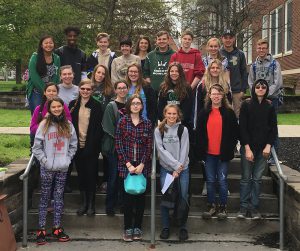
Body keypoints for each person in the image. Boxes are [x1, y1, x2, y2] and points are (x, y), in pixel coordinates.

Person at [32, 97, 77, 245]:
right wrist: (44, 161)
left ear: (62, 108)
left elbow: (73, 145)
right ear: (49, 109)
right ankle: (41, 229)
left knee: (58, 198)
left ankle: (57, 227)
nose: (57, 109)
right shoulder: (44, 125)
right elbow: (36, 147)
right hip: (47, 168)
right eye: (54, 107)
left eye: (59, 106)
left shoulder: (68, 125)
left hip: (62, 168)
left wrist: (68, 159)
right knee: (45, 198)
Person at [195, 84, 238, 220]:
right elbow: (199, 134)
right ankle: (211, 206)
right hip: (208, 154)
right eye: (213, 93)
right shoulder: (203, 113)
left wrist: (229, 150)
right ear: (209, 95)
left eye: (219, 94)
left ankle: (223, 207)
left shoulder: (229, 113)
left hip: (223, 154)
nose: (216, 96)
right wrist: (200, 152)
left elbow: (233, 134)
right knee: (210, 181)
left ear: (223, 96)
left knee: (223, 181)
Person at [238, 79, 277, 219]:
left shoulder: (270, 106)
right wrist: (247, 148)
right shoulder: (246, 105)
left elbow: (273, 129)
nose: (261, 88)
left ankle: (254, 207)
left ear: (266, 89)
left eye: (263, 87)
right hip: (248, 147)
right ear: (254, 88)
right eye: (258, 86)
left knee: (257, 179)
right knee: (245, 179)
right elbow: (242, 128)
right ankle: (243, 207)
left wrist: (268, 145)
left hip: (263, 149)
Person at [115, 95, 153, 242]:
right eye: (134, 103)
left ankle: (137, 227)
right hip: (127, 165)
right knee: (128, 199)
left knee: (141, 198)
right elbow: (118, 143)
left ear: (142, 106)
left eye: (139, 103)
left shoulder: (147, 123)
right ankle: (127, 228)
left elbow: (149, 145)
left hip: (142, 165)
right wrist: (128, 164)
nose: (136, 106)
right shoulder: (122, 122)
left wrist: (142, 163)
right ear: (129, 105)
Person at [193, 59, 232, 195]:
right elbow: (197, 107)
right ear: (208, 70)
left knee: (222, 153)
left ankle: (222, 185)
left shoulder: (225, 85)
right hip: (205, 123)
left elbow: (230, 106)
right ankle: (207, 182)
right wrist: (196, 124)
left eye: (217, 67)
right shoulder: (202, 85)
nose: (215, 69)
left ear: (221, 70)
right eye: (212, 67)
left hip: (222, 123)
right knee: (207, 153)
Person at [155, 104, 190, 241]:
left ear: (178, 115)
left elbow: (184, 149)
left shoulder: (183, 130)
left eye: (174, 114)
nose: (171, 116)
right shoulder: (159, 130)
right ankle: (166, 227)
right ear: (165, 114)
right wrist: (174, 166)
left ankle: (183, 228)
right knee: (166, 199)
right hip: (166, 170)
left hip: (183, 170)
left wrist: (179, 168)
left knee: (183, 197)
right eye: (169, 114)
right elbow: (161, 151)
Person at [69, 79, 103, 217]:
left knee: (91, 175)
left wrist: (92, 146)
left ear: (92, 91)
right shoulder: (73, 105)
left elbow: (98, 129)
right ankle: (83, 203)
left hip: (91, 147)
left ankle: (91, 203)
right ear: (79, 89)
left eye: (88, 89)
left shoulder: (96, 105)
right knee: (82, 175)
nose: (85, 91)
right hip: (77, 146)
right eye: (83, 89)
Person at [248, 38, 282, 165]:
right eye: (259, 48)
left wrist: (267, 94)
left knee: (272, 127)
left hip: (271, 100)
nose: (261, 50)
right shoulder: (254, 65)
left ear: (267, 49)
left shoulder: (275, 64)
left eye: (264, 48)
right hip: (258, 100)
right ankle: (260, 153)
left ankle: (274, 157)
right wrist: (257, 94)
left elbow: (277, 82)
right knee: (258, 126)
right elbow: (251, 82)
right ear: (256, 49)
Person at [102, 80, 129, 216]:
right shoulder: (111, 106)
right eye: (119, 88)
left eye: (124, 87)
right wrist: (120, 141)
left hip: (128, 149)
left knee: (124, 177)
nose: (122, 90)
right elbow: (108, 127)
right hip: (114, 148)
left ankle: (123, 203)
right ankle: (110, 205)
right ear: (116, 90)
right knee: (113, 177)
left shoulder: (131, 105)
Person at [91, 64, 115, 193]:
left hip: (105, 127)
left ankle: (106, 181)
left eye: (103, 73)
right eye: (98, 72)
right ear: (94, 73)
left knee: (106, 155)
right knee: (93, 155)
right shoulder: (88, 87)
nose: (100, 75)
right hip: (92, 127)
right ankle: (94, 181)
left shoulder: (110, 90)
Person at [27, 35, 60, 114]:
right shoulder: (35, 57)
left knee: (52, 115)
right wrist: (45, 91)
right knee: (38, 115)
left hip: (51, 92)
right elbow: (34, 76)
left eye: (50, 43)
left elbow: (56, 76)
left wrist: (52, 91)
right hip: (36, 91)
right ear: (41, 45)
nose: (48, 45)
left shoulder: (57, 58)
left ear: (54, 45)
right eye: (46, 43)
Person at [220, 29, 248, 118]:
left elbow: (244, 72)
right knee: (223, 116)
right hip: (221, 91)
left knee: (237, 116)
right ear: (222, 39)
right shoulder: (218, 53)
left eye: (230, 38)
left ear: (234, 39)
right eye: (225, 38)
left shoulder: (240, 54)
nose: (228, 40)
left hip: (237, 91)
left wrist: (243, 90)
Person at [157, 62, 193, 128]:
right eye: (172, 71)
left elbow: (187, 109)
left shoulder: (187, 88)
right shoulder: (163, 87)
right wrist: (167, 121)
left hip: (182, 125)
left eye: (176, 71)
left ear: (180, 73)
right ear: (168, 73)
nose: (174, 73)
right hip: (166, 124)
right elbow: (160, 107)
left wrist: (177, 122)